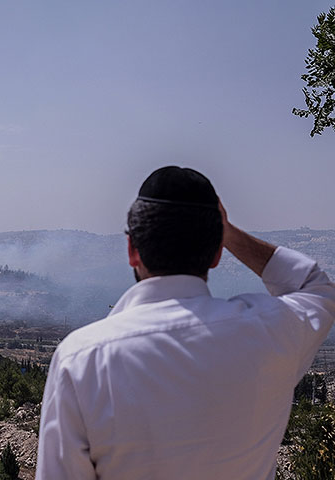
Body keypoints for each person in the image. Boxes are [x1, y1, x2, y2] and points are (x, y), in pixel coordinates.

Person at [36, 166, 335, 480]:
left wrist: (219, 233)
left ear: (132, 251)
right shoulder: (269, 331)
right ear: (218, 254)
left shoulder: (81, 359)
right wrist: (227, 232)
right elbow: (314, 287)